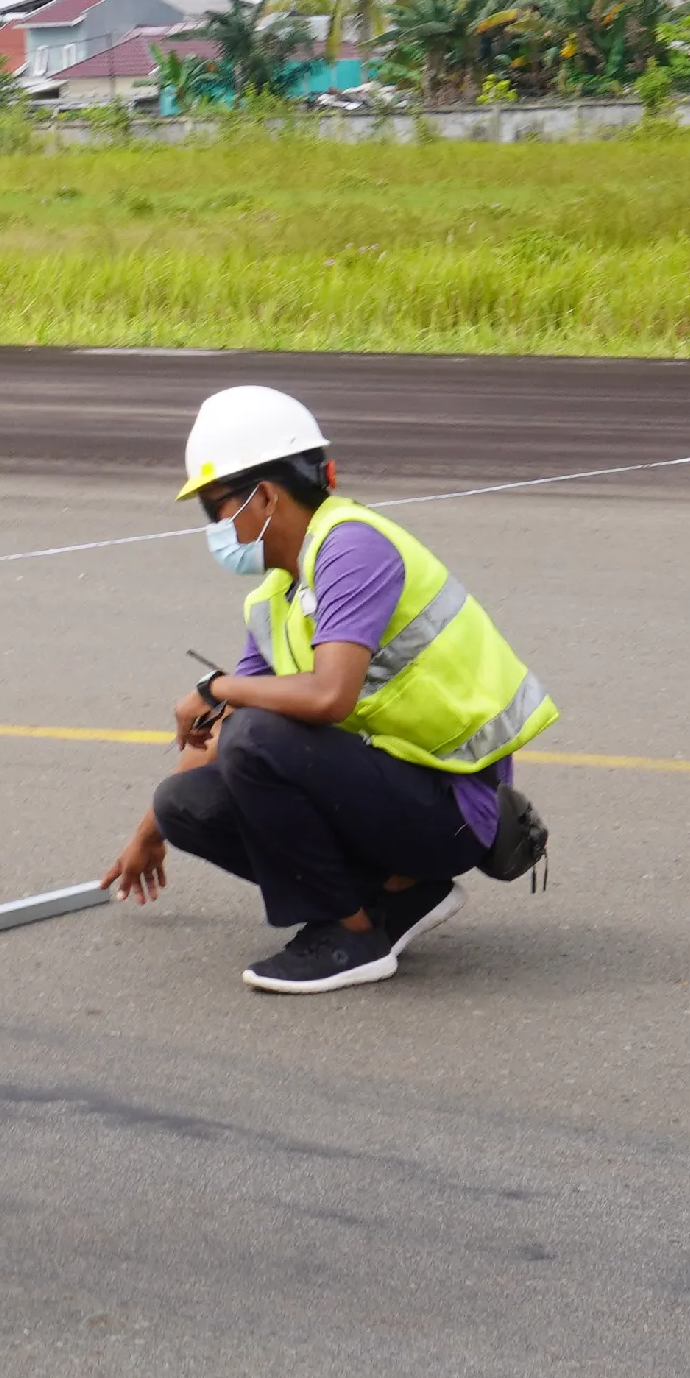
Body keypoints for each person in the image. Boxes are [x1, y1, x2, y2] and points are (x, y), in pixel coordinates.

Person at [103, 386, 559, 994]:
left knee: (254, 735)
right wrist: (146, 836)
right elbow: (221, 728)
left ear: (263, 496)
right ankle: (397, 898)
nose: (212, 527)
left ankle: (350, 937)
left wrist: (213, 688)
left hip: (454, 808)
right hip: (395, 795)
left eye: (214, 507)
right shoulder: (276, 594)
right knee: (185, 800)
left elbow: (328, 698)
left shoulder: (351, 546)